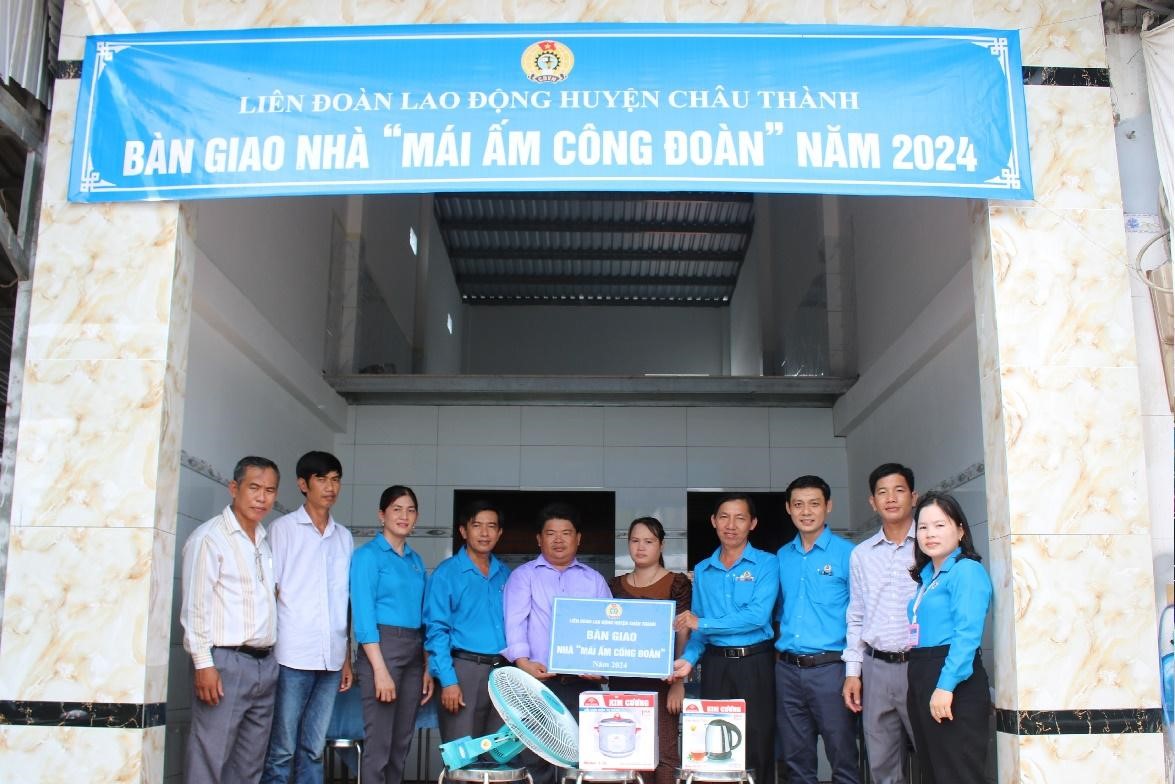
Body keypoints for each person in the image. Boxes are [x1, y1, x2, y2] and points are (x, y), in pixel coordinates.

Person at [181, 456, 282, 784]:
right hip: (224, 663)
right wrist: (203, 664)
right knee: (210, 757)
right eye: (254, 488)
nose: (262, 498)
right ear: (234, 488)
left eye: (269, 490)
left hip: (264, 664)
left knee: (249, 764)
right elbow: (195, 608)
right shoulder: (210, 538)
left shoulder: (263, 541)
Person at [261, 451, 354, 784]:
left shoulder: (343, 537)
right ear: (303, 484)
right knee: (282, 749)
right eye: (321, 479)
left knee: (313, 749)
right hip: (291, 655)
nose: (330, 487)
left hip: (331, 658)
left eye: (335, 479)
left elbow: (344, 601)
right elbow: (270, 593)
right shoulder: (282, 530)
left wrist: (346, 658)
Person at [673, 494, 780, 782]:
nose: (731, 525)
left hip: (755, 663)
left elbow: (757, 616)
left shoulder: (767, 563)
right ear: (713, 521)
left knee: (758, 743)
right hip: (716, 666)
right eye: (724, 517)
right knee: (715, 742)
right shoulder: (703, 570)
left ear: (752, 523)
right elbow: (699, 630)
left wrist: (702, 623)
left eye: (740, 518)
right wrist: (688, 659)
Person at [503, 502, 611, 784]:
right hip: (536, 684)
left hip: (582, 685)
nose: (558, 540)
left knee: (581, 761)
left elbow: (607, 629)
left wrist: (601, 669)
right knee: (535, 760)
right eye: (551, 533)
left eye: (566, 533)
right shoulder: (524, 576)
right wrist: (523, 662)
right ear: (539, 539)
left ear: (578, 538)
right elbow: (515, 623)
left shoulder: (594, 580)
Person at [774, 476, 860, 784]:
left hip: (832, 669)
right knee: (796, 760)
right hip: (787, 671)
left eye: (814, 504)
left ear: (828, 506)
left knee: (842, 755)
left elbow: (861, 614)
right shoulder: (782, 556)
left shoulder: (849, 554)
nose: (806, 511)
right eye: (798, 504)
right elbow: (778, 611)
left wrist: (854, 671)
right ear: (788, 508)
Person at [905, 492, 992, 784]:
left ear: (960, 530)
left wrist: (945, 685)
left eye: (939, 525)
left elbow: (966, 635)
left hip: (951, 677)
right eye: (923, 527)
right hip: (922, 671)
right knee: (934, 771)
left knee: (957, 773)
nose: (930, 533)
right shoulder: (928, 576)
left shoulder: (966, 571)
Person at [350, 485, 434, 784]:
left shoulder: (415, 560)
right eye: (397, 509)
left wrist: (427, 665)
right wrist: (380, 671)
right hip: (382, 650)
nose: (404, 516)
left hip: (413, 650)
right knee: (380, 745)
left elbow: (424, 616)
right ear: (381, 514)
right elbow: (363, 617)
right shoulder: (367, 556)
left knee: (401, 744)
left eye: (410, 510)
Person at [841, 463, 919, 784]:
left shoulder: (930, 545)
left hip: (920, 665)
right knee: (882, 763)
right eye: (882, 492)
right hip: (876, 667)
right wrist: (853, 672)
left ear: (914, 497)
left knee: (933, 753)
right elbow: (856, 614)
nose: (891, 498)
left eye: (899, 490)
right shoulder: (861, 554)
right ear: (872, 502)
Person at [608, 517, 692, 784]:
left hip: (663, 683)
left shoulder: (677, 583)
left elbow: (683, 633)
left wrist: (678, 683)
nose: (641, 547)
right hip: (624, 682)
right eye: (635, 541)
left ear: (661, 545)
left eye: (648, 541)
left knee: (665, 754)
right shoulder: (614, 586)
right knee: (629, 751)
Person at [425, 499, 511, 743]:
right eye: (477, 525)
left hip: (501, 673)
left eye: (491, 526)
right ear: (463, 531)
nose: (484, 533)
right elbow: (436, 630)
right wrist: (448, 681)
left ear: (499, 533)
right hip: (463, 670)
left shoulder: (506, 574)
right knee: (462, 752)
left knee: (497, 753)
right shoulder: (447, 573)